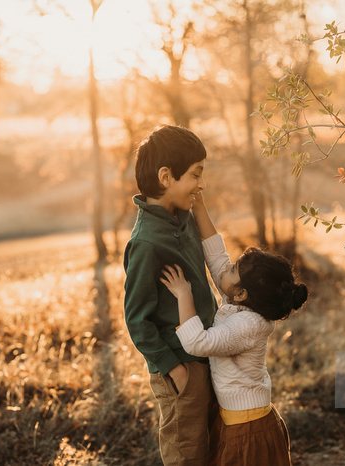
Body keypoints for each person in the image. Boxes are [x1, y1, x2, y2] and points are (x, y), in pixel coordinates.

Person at [160, 193, 308, 466]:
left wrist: (183, 294)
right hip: (239, 421)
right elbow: (217, 258)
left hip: (248, 429)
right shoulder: (242, 302)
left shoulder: (248, 325)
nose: (224, 269)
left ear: (240, 294)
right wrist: (200, 207)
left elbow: (197, 343)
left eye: (233, 269)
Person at [123, 125, 219, 466]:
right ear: (166, 177)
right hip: (181, 369)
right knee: (187, 454)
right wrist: (173, 368)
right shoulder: (147, 243)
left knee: (214, 449)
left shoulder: (184, 218)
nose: (201, 184)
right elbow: (137, 320)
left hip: (208, 354)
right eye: (195, 175)